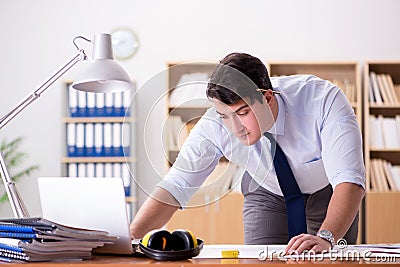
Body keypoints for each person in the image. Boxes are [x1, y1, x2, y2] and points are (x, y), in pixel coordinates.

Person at [130, 52, 365, 254]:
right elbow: (175, 186)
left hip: (328, 192)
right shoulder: (214, 125)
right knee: (259, 261)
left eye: (242, 112)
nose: (234, 128)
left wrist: (327, 237)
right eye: (224, 115)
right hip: (266, 191)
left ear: (268, 98)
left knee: (329, 259)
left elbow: (349, 179)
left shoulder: (322, 100)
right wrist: (129, 239)